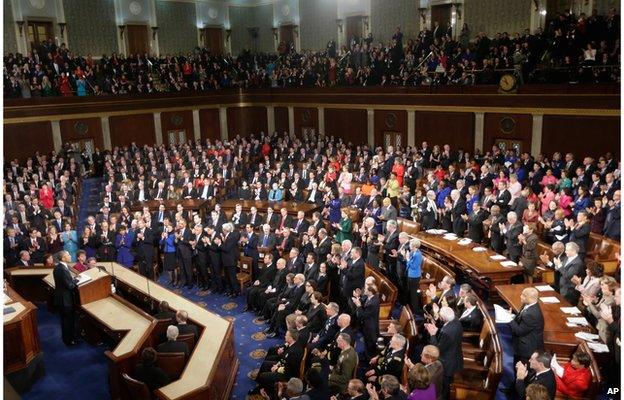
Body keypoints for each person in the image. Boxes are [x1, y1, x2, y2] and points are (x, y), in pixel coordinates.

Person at [424, 306, 463, 399]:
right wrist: (437, 330)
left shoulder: (447, 332)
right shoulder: (456, 321)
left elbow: (436, 350)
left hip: (447, 363)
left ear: (443, 318)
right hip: (455, 356)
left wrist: (432, 334)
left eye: (440, 317)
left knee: (445, 388)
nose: (439, 318)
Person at [510, 287, 545, 365]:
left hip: (527, 349)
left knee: (522, 368)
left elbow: (519, 331)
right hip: (524, 343)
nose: (520, 296)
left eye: (523, 295)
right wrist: (512, 316)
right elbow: (520, 318)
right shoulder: (528, 305)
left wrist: (509, 319)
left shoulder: (531, 314)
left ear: (530, 298)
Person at [53, 250, 78, 345]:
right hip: (65, 300)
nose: (70, 256)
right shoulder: (63, 269)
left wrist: (73, 280)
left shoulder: (58, 267)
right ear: (63, 258)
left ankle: (68, 338)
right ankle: (69, 340)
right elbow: (70, 286)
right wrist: (76, 280)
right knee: (67, 320)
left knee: (65, 320)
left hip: (61, 298)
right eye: (68, 255)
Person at [405, 238, 423, 314]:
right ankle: (410, 307)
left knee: (413, 294)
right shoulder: (413, 252)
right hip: (410, 274)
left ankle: (415, 311)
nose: (409, 246)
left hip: (414, 276)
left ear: (414, 246)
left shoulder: (418, 255)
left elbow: (413, 266)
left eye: (410, 244)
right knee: (410, 292)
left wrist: (407, 259)